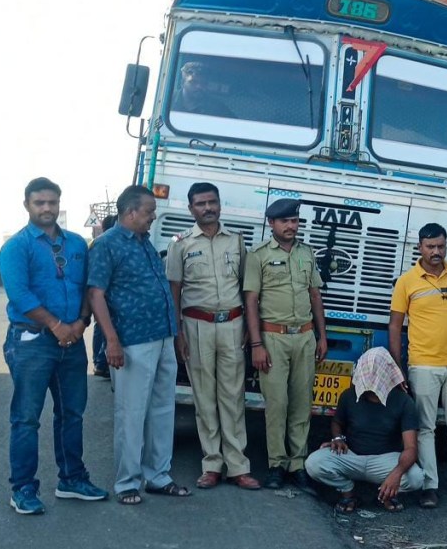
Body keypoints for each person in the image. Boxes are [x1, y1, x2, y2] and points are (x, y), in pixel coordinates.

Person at [0, 177, 109, 515]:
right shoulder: (17, 247)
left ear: (59, 204)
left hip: (71, 342)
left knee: (72, 413)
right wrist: (56, 325)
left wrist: (80, 323)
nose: (47, 208)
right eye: (39, 203)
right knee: (27, 418)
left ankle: (72, 479)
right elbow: (20, 295)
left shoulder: (76, 244)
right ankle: (23, 489)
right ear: (27, 206)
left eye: (52, 202)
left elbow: (89, 287)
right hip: (32, 342)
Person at [87, 185, 190, 505]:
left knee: (162, 411)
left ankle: (158, 475)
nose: (153, 217)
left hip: (162, 338)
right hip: (132, 342)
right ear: (129, 212)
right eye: (148, 212)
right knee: (132, 414)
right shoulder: (107, 245)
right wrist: (112, 342)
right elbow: (96, 294)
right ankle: (127, 482)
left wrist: (175, 334)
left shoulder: (145, 243)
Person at [165, 182, 260, 491]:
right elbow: (174, 292)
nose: (208, 208)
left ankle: (238, 466)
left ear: (220, 204)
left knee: (233, 397)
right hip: (196, 326)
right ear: (191, 209)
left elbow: (247, 288)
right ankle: (211, 465)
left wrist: (248, 325)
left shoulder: (236, 241)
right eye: (201, 203)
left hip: (232, 325)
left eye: (212, 202)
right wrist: (177, 332)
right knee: (204, 398)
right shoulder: (179, 243)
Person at [388, 223, 447, 510]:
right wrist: (398, 367)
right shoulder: (407, 281)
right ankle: (430, 487)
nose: (436, 252)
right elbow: (395, 326)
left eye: (441, 246)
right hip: (423, 365)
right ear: (420, 247)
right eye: (431, 247)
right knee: (426, 428)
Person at [243, 197, 328, 492]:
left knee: (302, 404)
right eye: (285, 221)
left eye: (294, 221)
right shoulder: (258, 255)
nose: (291, 226)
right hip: (272, 338)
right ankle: (276, 465)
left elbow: (315, 296)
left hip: (304, 337)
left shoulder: (307, 254)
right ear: (272, 224)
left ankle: (298, 464)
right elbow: (251, 301)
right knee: (277, 405)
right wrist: (256, 344)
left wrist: (322, 336)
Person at [305, 347, 423, 513]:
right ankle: (348, 492)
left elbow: (411, 449)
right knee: (313, 463)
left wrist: (396, 474)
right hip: (352, 456)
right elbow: (337, 422)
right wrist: (338, 439)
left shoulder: (403, 401)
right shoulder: (349, 396)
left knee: (416, 478)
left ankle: (386, 493)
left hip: (385, 460)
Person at [91, 213, 117, 379]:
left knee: (100, 328)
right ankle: (101, 362)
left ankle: (100, 363)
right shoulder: (103, 243)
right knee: (102, 328)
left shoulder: (98, 241)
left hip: (104, 294)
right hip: (103, 295)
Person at [172, 60, 236, 117]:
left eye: (203, 83)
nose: (199, 86)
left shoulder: (218, 108)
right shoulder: (168, 100)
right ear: (182, 83)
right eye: (193, 82)